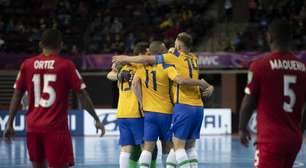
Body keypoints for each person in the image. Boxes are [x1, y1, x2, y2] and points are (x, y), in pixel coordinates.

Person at [3, 29, 105, 168]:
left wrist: (10, 122)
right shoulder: (66, 65)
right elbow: (82, 95)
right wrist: (96, 118)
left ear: (40, 44)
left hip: (33, 128)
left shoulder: (27, 64)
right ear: (60, 45)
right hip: (55, 129)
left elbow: (17, 95)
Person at [112, 32, 214, 168]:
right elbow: (180, 77)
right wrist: (205, 85)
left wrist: (124, 59)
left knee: (149, 148)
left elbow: (135, 79)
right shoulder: (191, 59)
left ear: (178, 44)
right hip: (177, 109)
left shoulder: (145, 67)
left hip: (152, 112)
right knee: (177, 146)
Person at [239, 19, 306, 168]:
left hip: (270, 140)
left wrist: (242, 128)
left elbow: (248, 102)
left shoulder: (260, 65)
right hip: (294, 140)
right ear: (291, 38)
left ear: (269, 37)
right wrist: (299, 131)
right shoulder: (303, 68)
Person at [107, 42, 157, 168]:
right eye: (147, 53)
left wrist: (118, 75)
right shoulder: (140, 67)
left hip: (122, 113)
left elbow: (109, 75)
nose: (149, 56)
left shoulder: (124, 67)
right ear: (140, 54)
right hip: (136, 112)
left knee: (125, 148)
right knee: (145, 146)